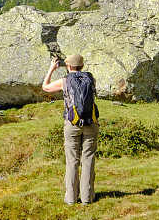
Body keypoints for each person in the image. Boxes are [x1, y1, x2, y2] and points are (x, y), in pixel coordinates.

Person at [42, 53, 99, 205]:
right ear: (82, 66)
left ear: (68, 66)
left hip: (72, 124)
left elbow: (45, 87)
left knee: (72, 160)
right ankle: (87, 198)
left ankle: (71, 198)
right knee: (88, 159)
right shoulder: (91, 79)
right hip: (91, 123)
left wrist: (51, 69)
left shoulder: (64, 81)